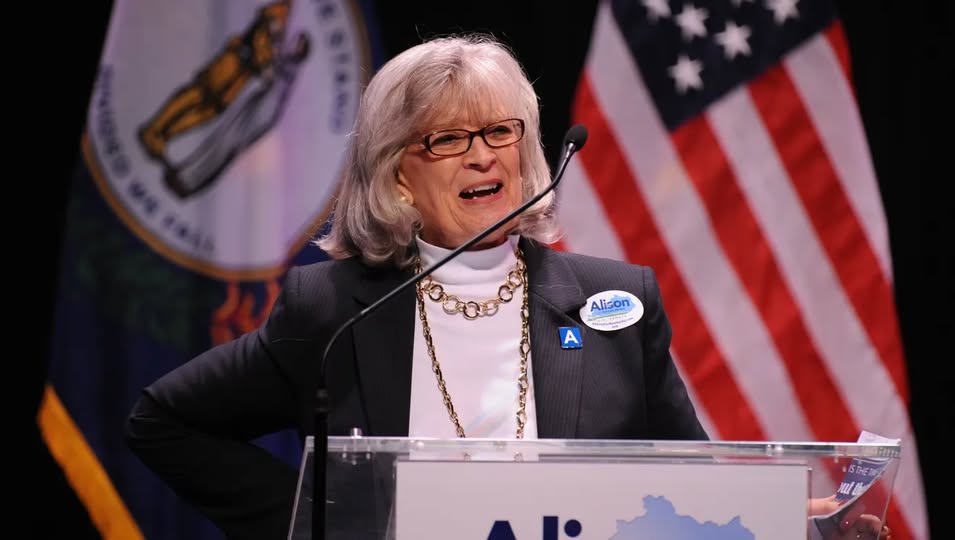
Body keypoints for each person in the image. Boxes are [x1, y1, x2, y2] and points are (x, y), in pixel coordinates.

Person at [124, 33, 709, 539]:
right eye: (448, 140)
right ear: (399, 176)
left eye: (499, 132)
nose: (483, 157)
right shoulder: (331, 309)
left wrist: (771, 514)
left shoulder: (617, 302)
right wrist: (317, 524)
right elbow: (164, 421)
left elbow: (700, 487)